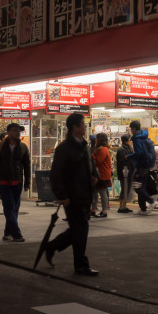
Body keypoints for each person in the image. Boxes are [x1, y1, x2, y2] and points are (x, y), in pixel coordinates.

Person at [44, 113, 99, 276]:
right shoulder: (64, 148)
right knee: (81, 230)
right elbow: (56, 175)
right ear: (74, 127)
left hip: (86, 194)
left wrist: (95, 175)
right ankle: (81, 265)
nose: (84, 126)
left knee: (78, 230)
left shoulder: (85, 146)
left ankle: (52, 246)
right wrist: (62, 196)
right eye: (82, 124)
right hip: (72, 196)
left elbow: (92, 165)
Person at [128, 120, 156, 215]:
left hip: (140, 165)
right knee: (141, 186)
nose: (130, 131)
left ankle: (151, 201)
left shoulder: (136, 138)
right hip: (147, 165)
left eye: (131, 129)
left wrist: (128, 156)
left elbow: (139, 153)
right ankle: (143, 209)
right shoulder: (144, 136)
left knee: (136, 185)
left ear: (134, 129)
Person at [92, 133, 112, 218]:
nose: (96, 140)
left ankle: (104, 211)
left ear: (100, 139)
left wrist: (92, 155)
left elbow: (98, 160)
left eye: (97, 138)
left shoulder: (103, 149)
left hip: (102, 174)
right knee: (95, 192)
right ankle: (93, 209)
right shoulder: (101, 149)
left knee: (102, 192)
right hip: (100, 174)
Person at [115, 134, 133, 213]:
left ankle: (124, 206)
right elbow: (122, 163)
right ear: (125, 141)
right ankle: (121, 207)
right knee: (124, 190)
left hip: (128, 172)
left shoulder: (128, 148)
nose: (131, 141)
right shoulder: (121, 150)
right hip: (124, 172)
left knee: (127, 190)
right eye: (129, 140)